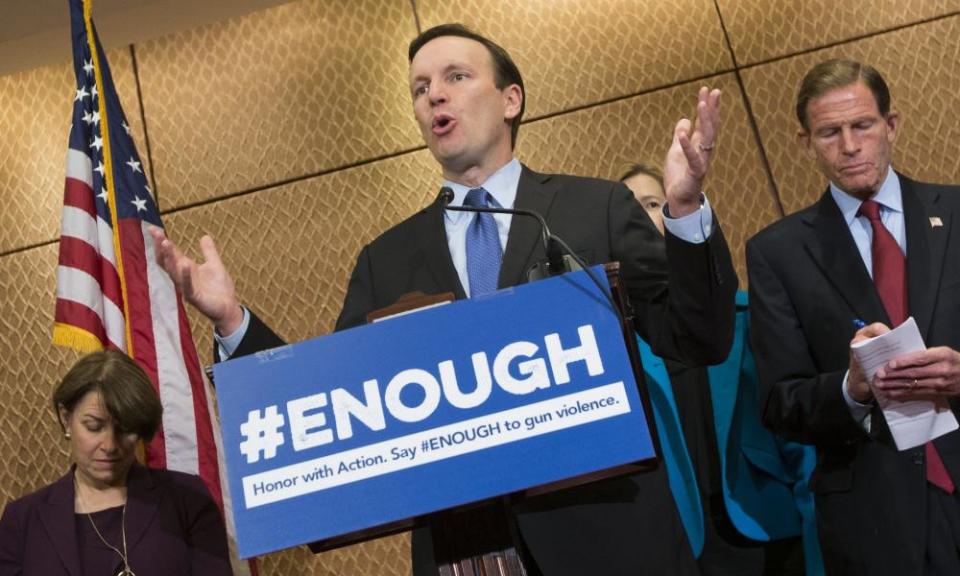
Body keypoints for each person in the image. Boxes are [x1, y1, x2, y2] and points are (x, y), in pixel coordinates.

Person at [150, 23, 738, 575]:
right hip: (466, 553)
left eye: (456, 77)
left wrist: (684, 212)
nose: (435, 96)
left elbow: (699, 336)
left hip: (612, 542)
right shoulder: (386, 259)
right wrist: (231, 320)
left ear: (511, 99)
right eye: (420, 88)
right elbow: (330, 411)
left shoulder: (596, 209)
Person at [746, 58, 960, 575]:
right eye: (829, 132)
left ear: (891, 125)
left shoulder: (956, 213)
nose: (848, 145)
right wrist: (851, 387)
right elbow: (780, 402)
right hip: (874, 516)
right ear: (805, 143)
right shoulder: (777, 253)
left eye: (862, 125)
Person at [621, 164, 821, 576]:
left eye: (652, 204)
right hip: (678, 543)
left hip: (766, 527)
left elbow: (799, 438)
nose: (642, 218)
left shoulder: (746, 316)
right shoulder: (614, 345)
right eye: (628, 212)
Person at [0, 350, 233, 576]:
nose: (110, 445)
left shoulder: (187, 499)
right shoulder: (21, 520)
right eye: (94, 427)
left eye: (125, 428)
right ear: (66, 418)